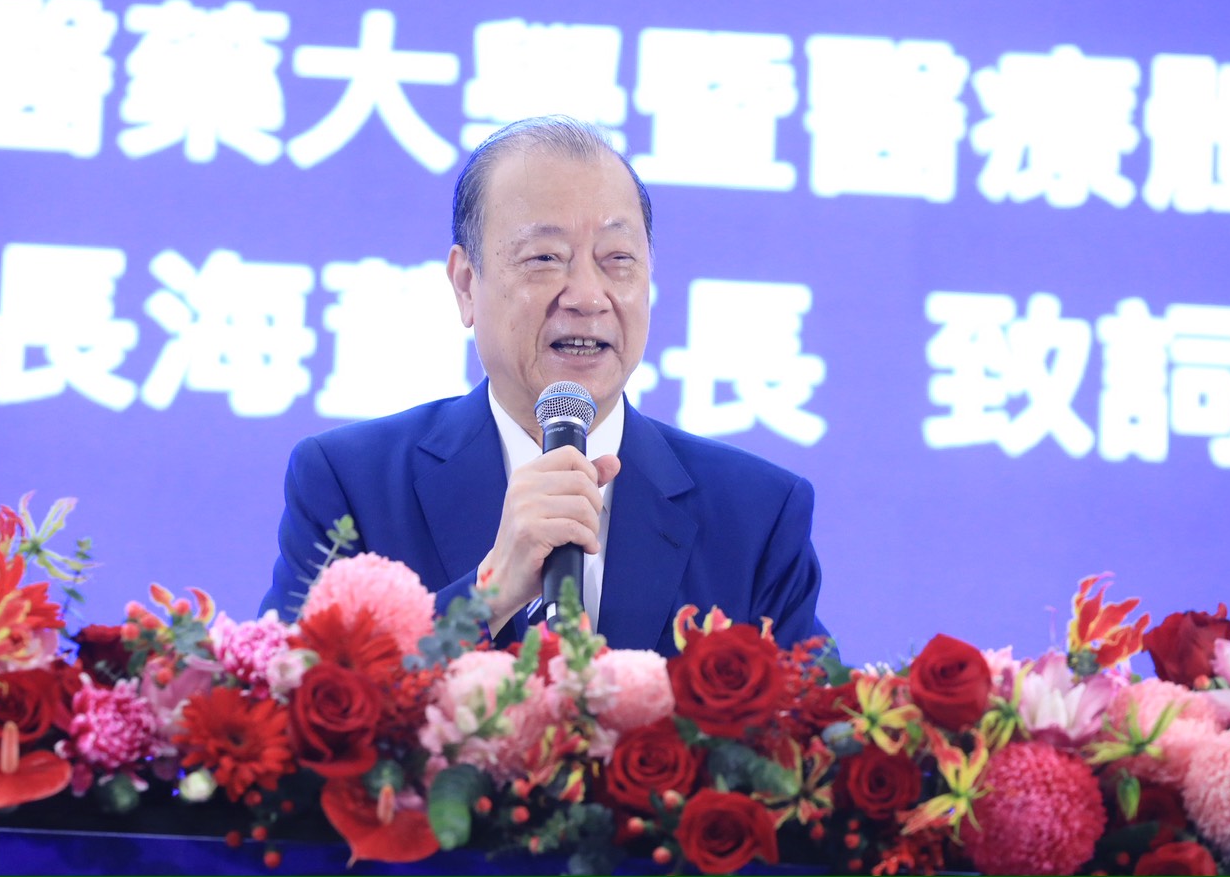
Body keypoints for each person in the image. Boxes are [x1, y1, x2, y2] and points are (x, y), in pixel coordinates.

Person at [260, 116, 829, 655]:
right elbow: (287, 695)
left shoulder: (757, 515)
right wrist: (488, 594)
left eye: (618, 259)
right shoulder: (352, 485)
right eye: (545, 258)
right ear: (466, 284)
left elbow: (823, 717)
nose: (587, 296)